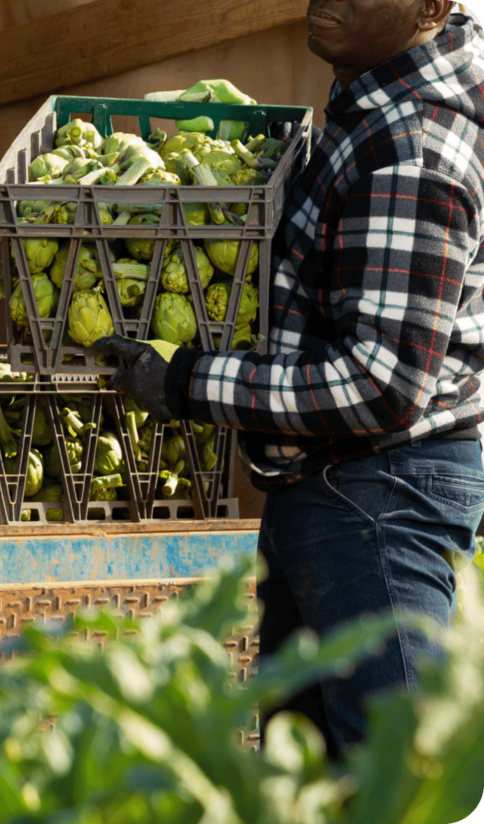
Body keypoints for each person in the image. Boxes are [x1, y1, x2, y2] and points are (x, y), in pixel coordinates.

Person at [96, 0, 484, 760]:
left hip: (378, 502)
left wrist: (188, 383)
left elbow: (380, 385)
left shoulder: (412, 149)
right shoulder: (371, 105)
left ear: (431, 9)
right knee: (306, 781)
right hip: (340, 496)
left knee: (399, 778)